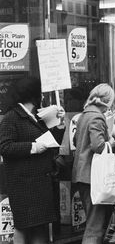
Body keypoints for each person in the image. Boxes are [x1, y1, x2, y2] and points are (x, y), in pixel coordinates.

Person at [0, 77, 65, 244]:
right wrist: (34, 147)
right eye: (40, 92)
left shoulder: (37, 117)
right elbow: (5, 147)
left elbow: (50, 144)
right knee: (23, 227)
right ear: (33, 93)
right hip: (23, 185)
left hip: (40, 184)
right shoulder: (11, 117)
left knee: (40, 227)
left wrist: (59, 125)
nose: (42, 96)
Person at [73, 83, 115, 244]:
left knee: (93, 222)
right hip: (93, 177)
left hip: (82, 175)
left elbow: (77, 141)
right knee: (95, 226)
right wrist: (110, 140)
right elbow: (98, 145)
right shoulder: (97, 117)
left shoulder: (84, 115)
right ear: (108, 101)